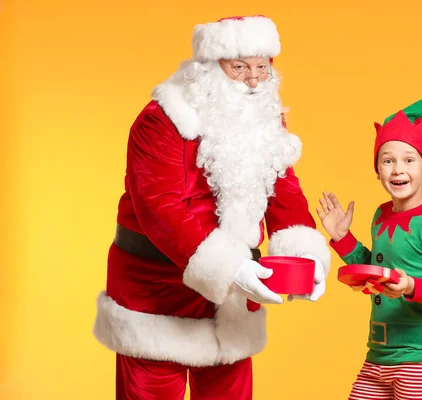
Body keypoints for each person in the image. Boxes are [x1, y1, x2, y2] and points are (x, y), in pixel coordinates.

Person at [92, 15, 330, 400]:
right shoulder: (161, 120)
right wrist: (231, 267)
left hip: (232, 297)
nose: (254, 80)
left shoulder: (265, 121)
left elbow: (284, 191)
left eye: (262, 67)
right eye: (239, 68)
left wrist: (307, 259)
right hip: (156, 291)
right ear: (210, 67)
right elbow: (160, 209)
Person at [317, 94, 422, 400]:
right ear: (378, 171)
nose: (398, 169)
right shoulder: (381, 214)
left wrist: (411, 285)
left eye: (409, 159)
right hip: (380, 355)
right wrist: (342, 237)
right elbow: (378, 271)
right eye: (388, 160)